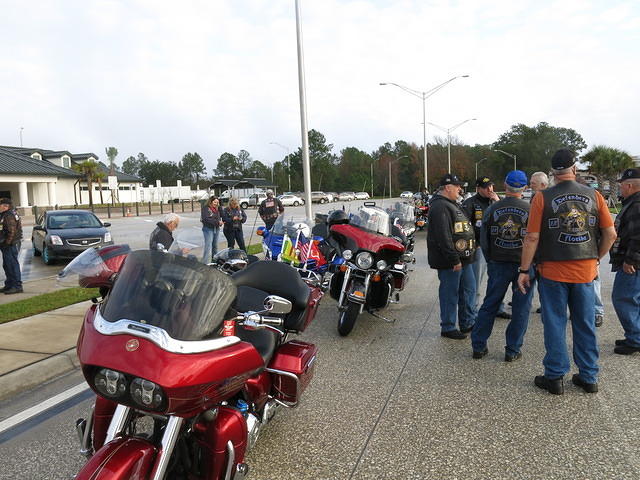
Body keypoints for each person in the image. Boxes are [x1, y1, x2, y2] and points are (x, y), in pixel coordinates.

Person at [518, 149, 616, 395]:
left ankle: (554, 377)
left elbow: (531, 237)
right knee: (585, 324)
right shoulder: (594, 195)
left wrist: (523, 269)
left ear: (552, 172)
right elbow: (611, 234)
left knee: (555, 323)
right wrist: (595, 259)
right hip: (585, 271)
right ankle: (589, 376)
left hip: (552, 271)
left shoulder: (542, 197)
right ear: (574, 168)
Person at [471, 171, 534, 361]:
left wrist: (490, 260)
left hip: (498, 263)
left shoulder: (492, 208)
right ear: (524, 188)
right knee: (521, 309)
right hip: (523, 265)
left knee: (490, 304)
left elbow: (484, 237)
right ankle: (512, 349)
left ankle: (479, 346)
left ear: (505, 186)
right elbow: (535, 238)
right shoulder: (531, 209)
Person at [427, 173, 476, 339]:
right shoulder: (440, 206)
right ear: (448, 187)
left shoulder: (451, 203)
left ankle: (467, 322)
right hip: (451, 261)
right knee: (450, 293)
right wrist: (453, 259)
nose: (460, 189)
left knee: (468, 290)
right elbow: (443, 236)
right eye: (457, 186)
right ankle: (448, 327)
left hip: (464, 258)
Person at [463, 176, 510, 319]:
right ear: (478, 188)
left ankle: (498, 307)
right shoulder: (470, 203)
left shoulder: (498, 201)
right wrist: (474, 244)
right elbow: (465, 228)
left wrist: (497, 202)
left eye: (491, 186)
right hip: (479, 247)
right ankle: (473, 310)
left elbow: (507, 219)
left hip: (496, 247)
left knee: (497, 280)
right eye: (486, 187)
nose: (490, 189)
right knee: (475, 282)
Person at [609, 168, 640, 355]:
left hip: (632, 263)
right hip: (632, 260)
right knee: (633, 299)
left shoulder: (637, 205)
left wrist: (630, 260)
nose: (620, 188)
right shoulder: (632, 203)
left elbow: (638, 236)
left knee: (623, 298)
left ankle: (635, 339)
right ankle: (634, 335)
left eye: (621, 185)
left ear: (629, 185)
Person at [0, 198, 23, 294]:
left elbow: (11, 231)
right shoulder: (7, 214)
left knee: (12, 265)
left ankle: (17, 286)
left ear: (6, 206)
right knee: (7, 265)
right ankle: (9, 285)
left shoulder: (9, 215)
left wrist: (7, 243)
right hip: (9, 244)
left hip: (10, 244)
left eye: (0, 205)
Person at [201, 196, 222, 263]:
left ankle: (215, 262)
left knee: (215, 246)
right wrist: (217, 222)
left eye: (217, 202)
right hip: (208, 229)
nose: (216, 203)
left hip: (216, 229)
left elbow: (219, 217)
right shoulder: (206, 208)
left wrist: (220, 223)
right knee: (208, 246)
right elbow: (206, 219)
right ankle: (205, 263)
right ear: (211, 201)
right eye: (215, 202)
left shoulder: (217, 209)